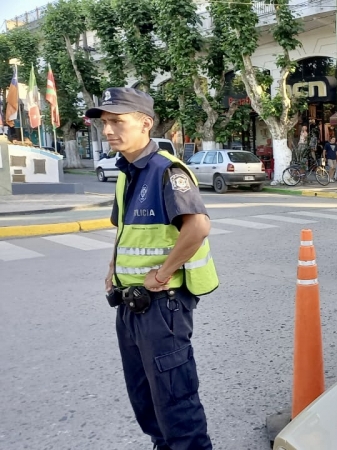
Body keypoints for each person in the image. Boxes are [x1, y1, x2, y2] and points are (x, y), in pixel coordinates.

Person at [92, 87, 218, 450]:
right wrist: (112, 267)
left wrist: (162, 274)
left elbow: (198, 227)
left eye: (118, 121)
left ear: (145, 123)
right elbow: (124, 229)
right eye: (105, 123)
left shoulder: (167, 171)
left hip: (163, 306)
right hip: (130, 304)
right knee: (146, 402)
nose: (109, 130)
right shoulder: (125, 173)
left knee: (176, 405)